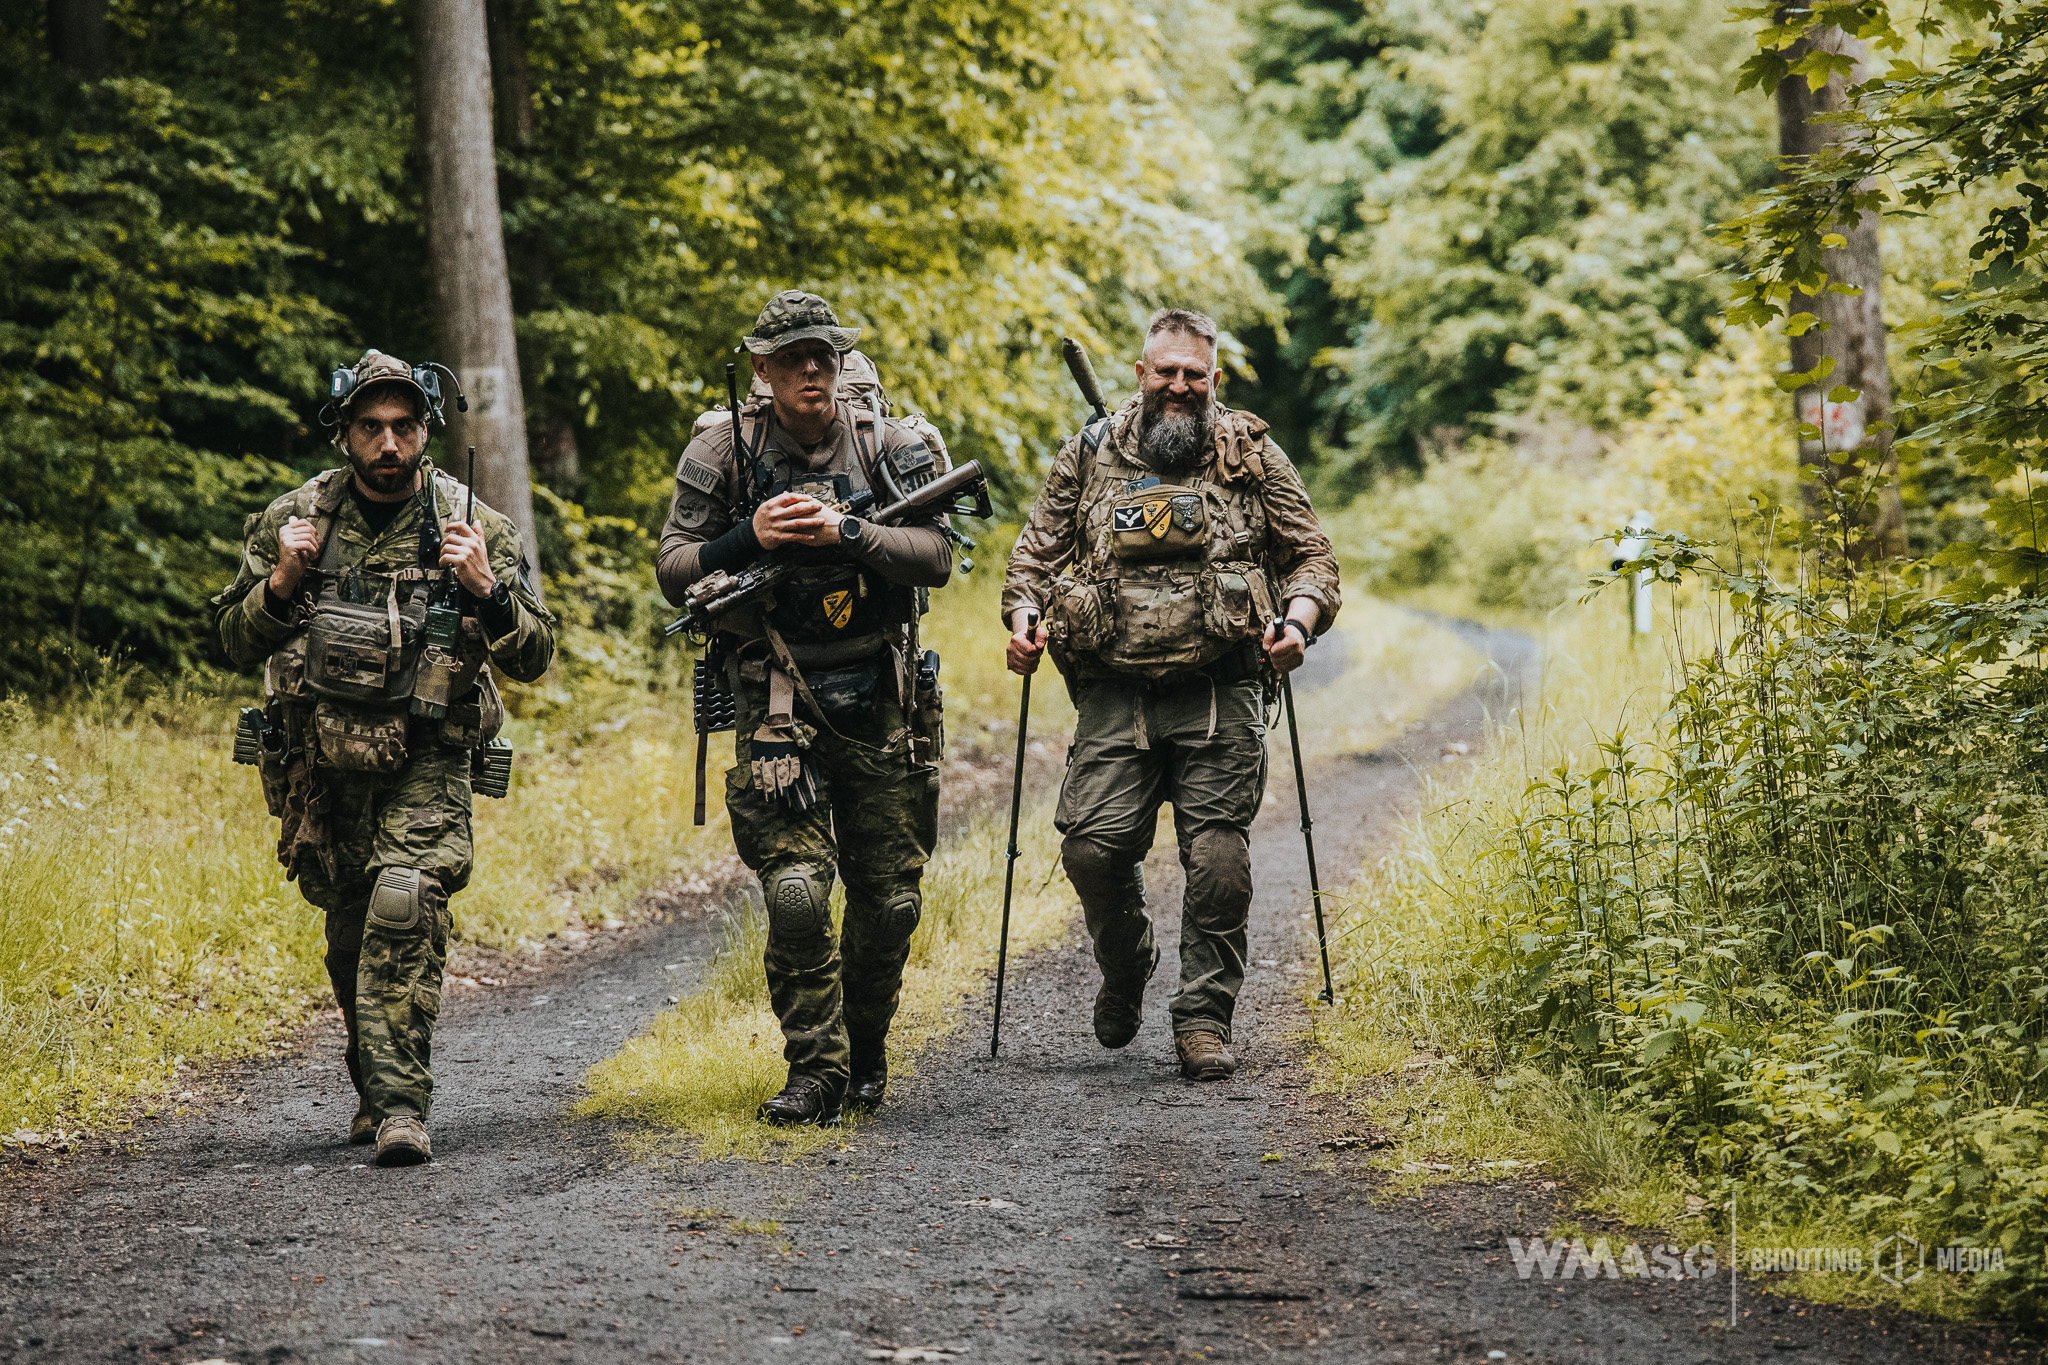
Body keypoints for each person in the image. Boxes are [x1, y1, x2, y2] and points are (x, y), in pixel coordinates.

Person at [213, 350, 556, 1165]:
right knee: (349, 929)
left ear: (427, 429)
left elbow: (535, 652)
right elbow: (230, 637)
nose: (389, 442)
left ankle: (404, 1107)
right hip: (321, 765)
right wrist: (284, 579)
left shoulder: (473, 523)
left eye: (404, 426)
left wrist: (486, 589)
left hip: (429, 757)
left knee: (403, 902)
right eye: (371, 427)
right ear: (344, 434)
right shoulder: (296, 521)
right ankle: (373, 1084)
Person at [1001, 308, 1341, 1082]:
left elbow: (1313, 557)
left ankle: (1202, 1018)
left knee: (1218, 858)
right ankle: (1128, 964)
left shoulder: (1250, 456)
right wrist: (1024, 625)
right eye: (1167, 373)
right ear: (1141, 374)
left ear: (1214, 378)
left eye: (1195, 374)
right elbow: (1031, 559)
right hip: (1114, 690)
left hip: (1220, 687)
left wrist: (1298, 622)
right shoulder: (1089, 454)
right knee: (1090, 850)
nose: (1180, 386)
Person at [656, 291, 955, 1126]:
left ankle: (865, 1047)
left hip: (883, 698)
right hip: (777, 701)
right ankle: (813, 1071)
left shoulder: (886, 445)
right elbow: (674, 566)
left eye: (825, 354)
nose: (813, 369)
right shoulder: (725, 453)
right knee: (794, 891)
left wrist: (847, 537)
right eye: (794, 358)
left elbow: (937, 556)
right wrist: (750, 533)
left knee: (889, 901)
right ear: (764, 369)